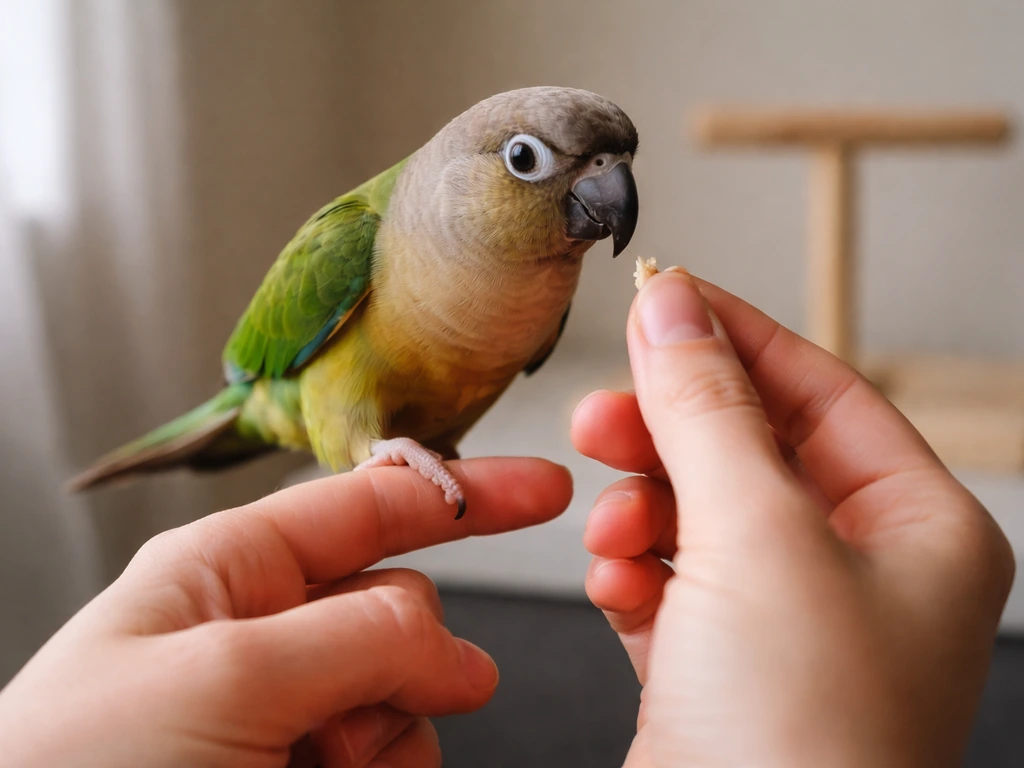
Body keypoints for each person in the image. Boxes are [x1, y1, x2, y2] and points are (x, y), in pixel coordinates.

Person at [0, 270, 1014, 768]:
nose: (592, 190)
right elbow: (261, 377)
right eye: (529, 162)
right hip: (294, 390)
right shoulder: (356, 240)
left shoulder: (546, 291)